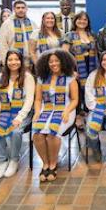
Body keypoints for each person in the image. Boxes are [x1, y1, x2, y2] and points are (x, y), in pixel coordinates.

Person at [33, 49, 78, 181]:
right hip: (45, 110)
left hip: (66, 109)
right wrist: (36, 112)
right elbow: (38, 100)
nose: (53, 64)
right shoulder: (42, 79)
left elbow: (75, 99)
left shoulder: (70, 78)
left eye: (56, 61)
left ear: (63, 62)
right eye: (51, 61)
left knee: (53, 133)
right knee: (37, 134)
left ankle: (53, 164)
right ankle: (45, 163)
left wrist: (66, 111)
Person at [0, 49, 35, 179]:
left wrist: (20, 117)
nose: (13, 62)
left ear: (21, 61)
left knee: (16, 131)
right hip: (5, 112)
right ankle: (2, 161)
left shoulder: (27, 77)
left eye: (16, 59)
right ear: (6, 62)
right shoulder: (0, 77)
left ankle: (14, 160)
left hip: (23, 112)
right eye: (10, 60)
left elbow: (29, 100)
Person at [64, 12, 98, 128]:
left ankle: (90, 115)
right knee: (77, 93)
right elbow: (64, 54)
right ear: (75, 21)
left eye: (85, 20)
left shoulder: (91, 34)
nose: (82, 21)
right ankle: (78, 117)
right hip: (76, 69)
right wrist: (71, 71)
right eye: (79, 19)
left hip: (91, 67)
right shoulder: (69, 35)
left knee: (89, 92)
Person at [0, 0, 37, 67]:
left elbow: (37, 43)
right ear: (14, 9)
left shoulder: (32, 23)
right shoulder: (7, 24)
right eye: (18, 8)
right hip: (14, 63)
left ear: (26, 9)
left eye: (23, 8)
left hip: (30, 62)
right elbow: (3, 45)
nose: (20, 10)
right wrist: (6, 62)